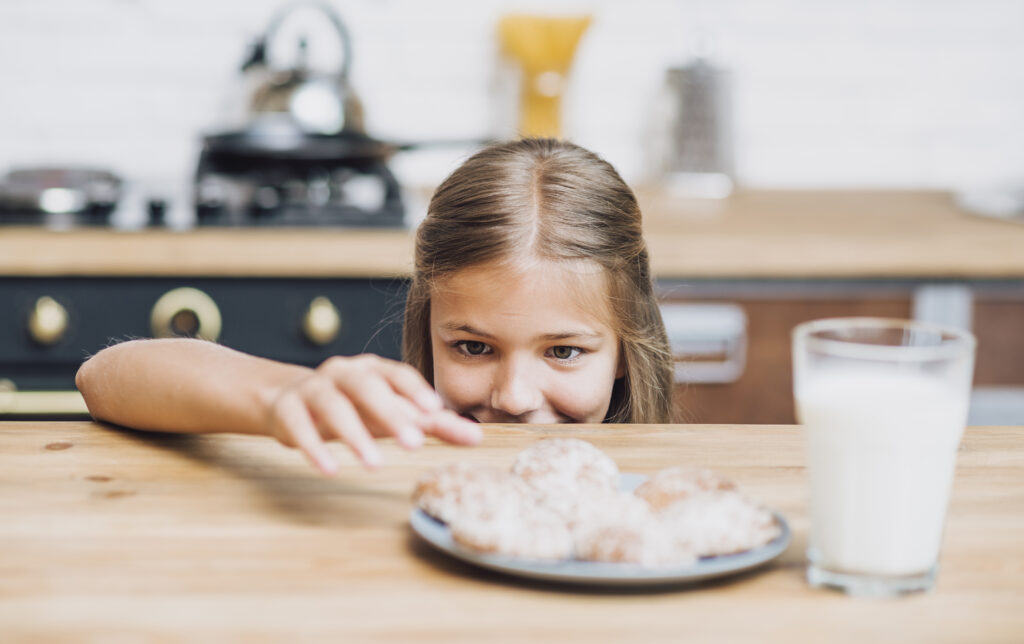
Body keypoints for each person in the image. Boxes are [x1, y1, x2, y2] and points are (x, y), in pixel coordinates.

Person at [76, 138, 673, 476]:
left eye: (564, 351)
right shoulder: (391, 443)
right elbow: (103, 378)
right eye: (472, 347)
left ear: (626, 347)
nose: (513, 398)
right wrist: (281, 394)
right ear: (428, 323)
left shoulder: (661, 494)